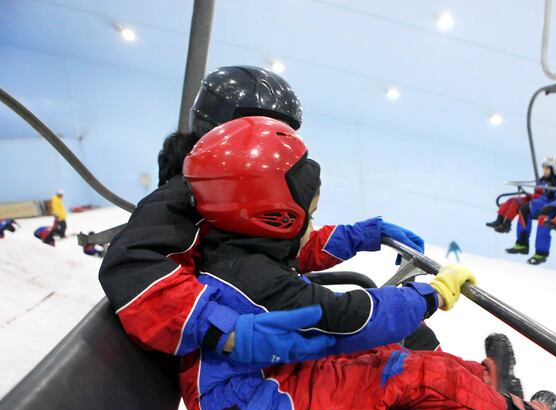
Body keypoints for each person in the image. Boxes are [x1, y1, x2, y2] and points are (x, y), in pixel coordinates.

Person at [178, 116, 556, 410]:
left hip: (258, 385)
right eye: (307, 216)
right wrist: (431, 295)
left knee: (394, 351)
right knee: (406, 372)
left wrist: (371, 232)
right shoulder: (253, 280)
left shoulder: (234, 249)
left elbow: (302, 248)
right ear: (276, 217)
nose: (312, 226)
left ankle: (484, 388)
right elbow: (345, 320)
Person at [99, 65, 428, 362]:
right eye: (264, 128)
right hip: (243, 361)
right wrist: (224, 331)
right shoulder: (187, 195)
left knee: (408, 340)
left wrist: (358, 235)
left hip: (267, 315)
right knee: (401, 351)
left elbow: (277, 244)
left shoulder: (232, 188)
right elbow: (132, 267)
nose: (273, 142)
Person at [487, 158, 556, 235]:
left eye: (547, 169)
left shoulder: (554, 184)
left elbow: (551, 197)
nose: (545, 171)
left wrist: (550, 192)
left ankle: (507, 223)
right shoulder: (541, 180)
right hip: (533, 198)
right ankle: (499, 219)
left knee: (516, 202)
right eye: (544, 168)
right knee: (511, 200)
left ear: (553, 170)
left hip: (539, 203)